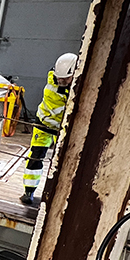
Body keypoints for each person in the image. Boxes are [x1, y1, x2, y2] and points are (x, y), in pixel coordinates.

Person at [22, 52, 78, 206]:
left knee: (61, 162)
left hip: (61, 129)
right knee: (35, 158)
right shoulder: (55, 87)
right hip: (44, 126)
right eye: (60, 78)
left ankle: (58, 196)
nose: (61, 81)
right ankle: (29, 192)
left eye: (66, 79)